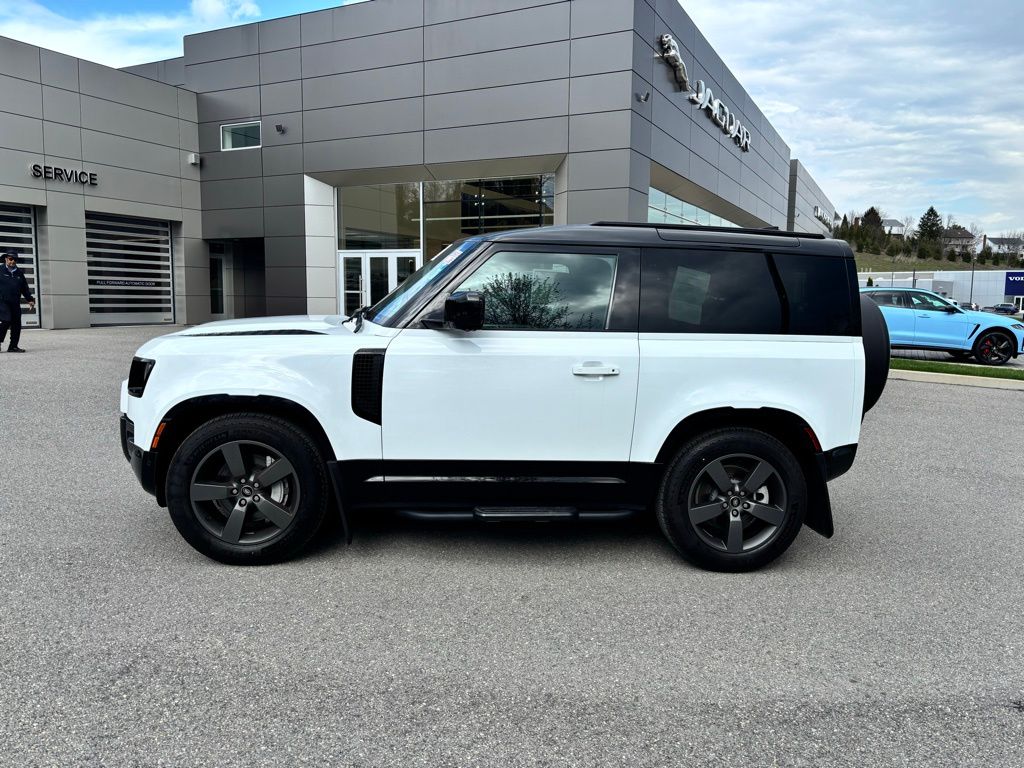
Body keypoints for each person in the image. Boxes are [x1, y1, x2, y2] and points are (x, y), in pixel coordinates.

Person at [0, 251, 36, 353]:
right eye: (11, 259)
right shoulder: (0, 270)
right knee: (6, 320)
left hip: (15, 301)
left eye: (15, 259)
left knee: (16, 324)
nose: (13, 261)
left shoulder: (19, 273)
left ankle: (13, 346)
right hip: (2, 301)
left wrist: (30, 299)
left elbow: (24, 288)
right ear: (6, 259)